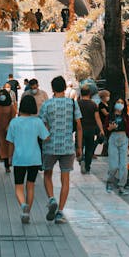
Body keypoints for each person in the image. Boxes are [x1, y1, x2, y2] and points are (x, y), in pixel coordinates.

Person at [40, 75, 82, 224]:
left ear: (52, 88)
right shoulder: (72, 104)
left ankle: (51, 198)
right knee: (65, 179)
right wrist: (79, 147)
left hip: (50, 146)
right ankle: (60, 212)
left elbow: (42, 126)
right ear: (64, 88)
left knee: (47, 174)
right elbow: (78, 126)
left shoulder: (47, 105)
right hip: (67, 146)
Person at [6, 93, 50, 223]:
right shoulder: (37, 122)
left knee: (18, 186)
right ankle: (27, 213)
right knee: (30, 186)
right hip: (35, 158)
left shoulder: (14, 122)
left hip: (19, 159)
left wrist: (9, 157)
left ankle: (23, 205)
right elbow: (46, 137)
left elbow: (10, 142)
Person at [106, 98, 129, 196]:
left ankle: (121, 186)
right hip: (113, 138)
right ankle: (109, 181)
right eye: (118, 102)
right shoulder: (109, 116)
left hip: (123, 139)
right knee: (114, 165)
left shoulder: (126, 117)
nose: (120, 104)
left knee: (123, 165)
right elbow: (105, 129)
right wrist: (110, 128)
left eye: (122, 103)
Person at [78, 84, 104, 173]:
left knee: (80, 146)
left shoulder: (77, 104)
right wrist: (101, 129)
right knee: (89, 149)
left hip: (80, 129)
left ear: (81, 94)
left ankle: (81, 160)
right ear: (89, 94)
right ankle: (87, 166)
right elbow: (97, 118)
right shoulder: (93, 105)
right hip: (91, 130)